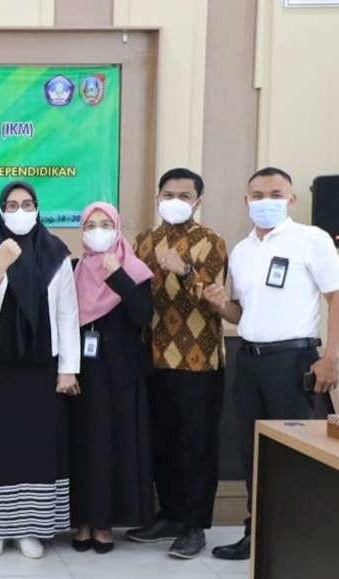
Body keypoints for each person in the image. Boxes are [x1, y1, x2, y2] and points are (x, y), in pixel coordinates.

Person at [205, 167, 339, 560]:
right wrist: (220, 305)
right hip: (249, 362)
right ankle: (257, 533)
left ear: (291, 199)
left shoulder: (311, 240)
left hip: (295, 360)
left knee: (300, 453)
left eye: (275, 193)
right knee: (253, 451)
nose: (265, 201)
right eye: (257, 194)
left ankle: (307, 537)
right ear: (246, 200)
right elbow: (242, 314)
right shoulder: (240, 251)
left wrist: (331, 357)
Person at [0, 181, 80, 560]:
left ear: (38, 208)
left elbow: (67, 313)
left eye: (27, 204)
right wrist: (0, 265)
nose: (20, 211)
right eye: (11, 205)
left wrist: (68, 370)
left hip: (41, 364)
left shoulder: (56, 251)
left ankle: (31, 527)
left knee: (35, 444)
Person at [128, 168, 228, 559]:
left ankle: (195, 525)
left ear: (198, 201)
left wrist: (184, 271)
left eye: (184, 195)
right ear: (157, 196)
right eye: (168, 193)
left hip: (199, 362)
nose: (175, 201)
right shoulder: (144, 242)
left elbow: (215, 298)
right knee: (162, 441)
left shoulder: (212, 242)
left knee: (198, 445)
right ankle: (169, 513)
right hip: (153, 357)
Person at [69, 202, 155, 554]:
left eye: (106, 223)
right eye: (91, 224)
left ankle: (104, 524)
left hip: (120, 375)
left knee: (111, 448)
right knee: (84, 447)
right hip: (82, 374)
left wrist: (117, 274)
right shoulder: (75, 269)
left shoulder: (134, 270)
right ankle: (83, 522)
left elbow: (142, 316)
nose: (98, 230)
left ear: (117, 227)